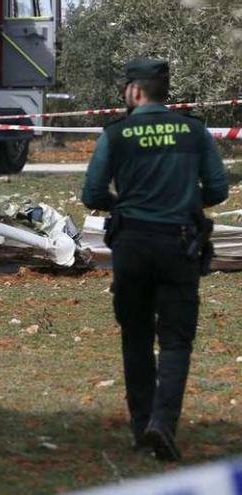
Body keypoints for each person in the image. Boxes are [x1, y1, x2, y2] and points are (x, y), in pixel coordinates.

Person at [82, 59, 228, 461]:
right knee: (177, 339)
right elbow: (218, 188)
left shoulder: (117, 134)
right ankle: (163, 424)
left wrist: (124, 205)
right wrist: (182, 201)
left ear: (135, 91)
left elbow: (92, 194)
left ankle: (140, 425)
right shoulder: (194, 131)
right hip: (179, 244)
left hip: (131, 244)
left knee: (136, 335)